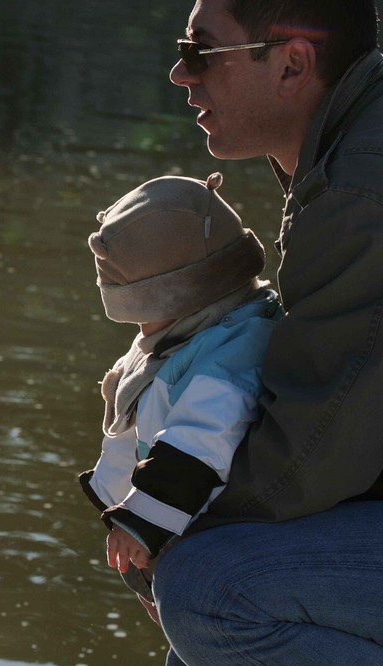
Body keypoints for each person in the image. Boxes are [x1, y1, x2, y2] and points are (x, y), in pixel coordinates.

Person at [154, 1, 383, 665]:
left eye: (202, 52)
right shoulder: (352, 145)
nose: (178, 73)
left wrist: (159, 526)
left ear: (292, 64)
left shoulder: (359, 192)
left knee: (210, 586)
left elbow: (313, 447)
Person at [79, 172, 280, 616]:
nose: (141, 332)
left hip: (187, 526)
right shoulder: (193, 330)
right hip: (159, 528)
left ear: (180, 298)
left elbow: (200, 438)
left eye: (143, 316)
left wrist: (141, 525)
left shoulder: (234, 352)